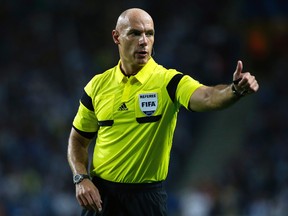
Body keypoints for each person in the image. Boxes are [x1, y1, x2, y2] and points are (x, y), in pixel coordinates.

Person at [67, 8, 259, 216]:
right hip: (101, 198)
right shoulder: (97, 86)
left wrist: (234, 90)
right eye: (135, 33)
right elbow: (77, 140)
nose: (144, 41)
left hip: (146, 201)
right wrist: (81, 178)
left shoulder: (168, 82)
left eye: (149, 34)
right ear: (117, 37)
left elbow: (208, 96)